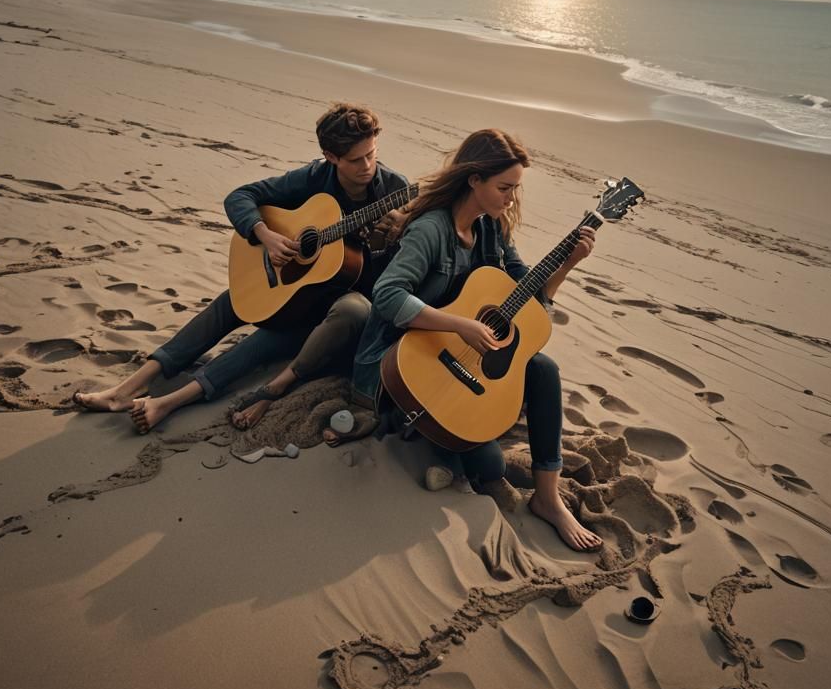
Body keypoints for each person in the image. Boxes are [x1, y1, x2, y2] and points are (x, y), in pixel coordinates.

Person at [73, 103, 409, 434]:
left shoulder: (396, 191)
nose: (367, 165)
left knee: (267, 338)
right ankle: (129, 388)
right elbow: (240, 197)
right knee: (232, 300)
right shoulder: (314, 177)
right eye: (356, 159)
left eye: (372, 154)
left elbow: (403, 271)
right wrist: (266, 235)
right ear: (331, 157)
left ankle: (172, 401)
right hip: (301, 287)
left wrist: (391, 238)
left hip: (339, 311)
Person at [352, 128, 602, 552]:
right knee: (491, 464)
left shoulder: (493, 230)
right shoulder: (431, 229)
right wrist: (460, 325)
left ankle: (548, 496)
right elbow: (388, 295)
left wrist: (567, 265)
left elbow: (529, 299)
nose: (511, 198)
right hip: (402, 362)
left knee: (543, 368)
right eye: (504, 187)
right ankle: (438, 448)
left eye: (515, 188)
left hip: (455, 357)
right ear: (474, 180)